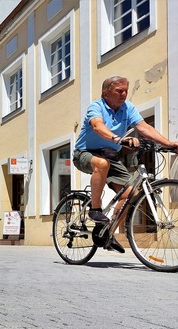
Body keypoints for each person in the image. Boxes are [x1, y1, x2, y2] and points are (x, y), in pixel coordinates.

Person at [73, 75, 178, 253]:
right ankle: (95, 208)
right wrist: (118, 139)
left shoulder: (127, 108)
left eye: (125, 91)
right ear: (105, 93)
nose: (123, 94)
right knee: (101, 163)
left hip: (110, 156)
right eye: (119, 91)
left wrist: (168, 144)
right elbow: (98, 126)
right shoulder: (96, 106)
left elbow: (145, 128)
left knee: (132, 194)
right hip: (85, 153)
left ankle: (108, 234)